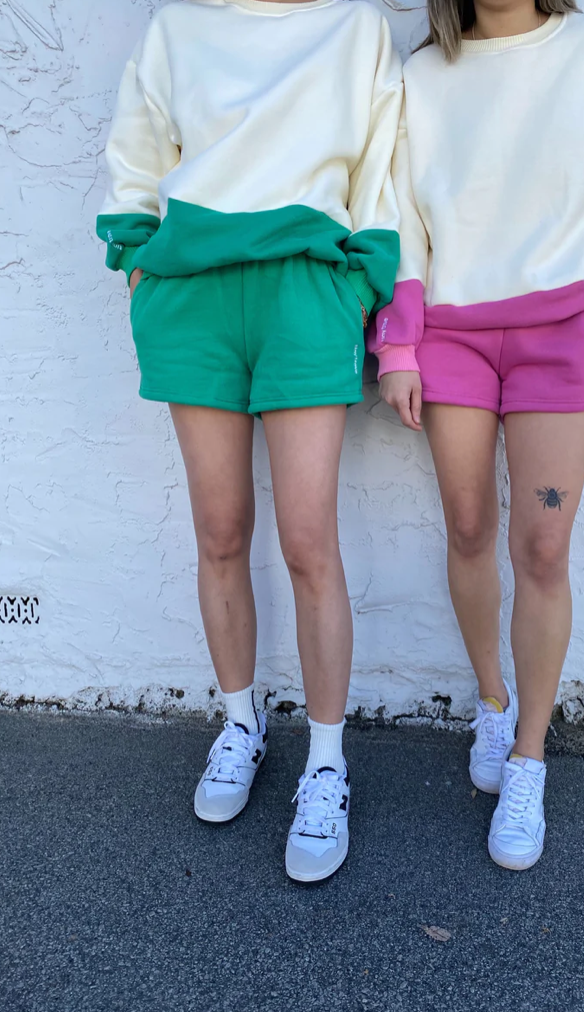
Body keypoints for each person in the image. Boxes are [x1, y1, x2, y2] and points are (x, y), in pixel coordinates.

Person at [372, 0, 584, 870]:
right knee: (469, 526)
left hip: (560, 334)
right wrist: (398, 344)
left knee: (544, 547)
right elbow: (398, 218)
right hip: (451, 335)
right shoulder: (422, 77)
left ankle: (528, 759)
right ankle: (493, 704)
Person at [96, 0, 402, 883]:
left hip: (305, 292)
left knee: (309, 541)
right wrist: (137, 260)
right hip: (192, 297)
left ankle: (327, 764)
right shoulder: (177, 27)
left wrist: (358, 286)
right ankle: (240, 723)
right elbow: (137, 154)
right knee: (220, 531)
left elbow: (381, 169)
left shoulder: (355, 27)